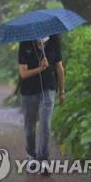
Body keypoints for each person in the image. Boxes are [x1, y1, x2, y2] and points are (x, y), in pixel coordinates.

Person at [18, 35, 65, 174]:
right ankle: (31, 155)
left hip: (48, 88)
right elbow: (23, 73)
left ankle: (43, 159)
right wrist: (40, 68)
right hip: (29, 90)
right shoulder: (26, 42)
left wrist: (61, 91)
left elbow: (59, 68)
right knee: (30, 125)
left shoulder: (54, 40)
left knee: (45, 124)